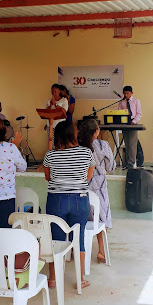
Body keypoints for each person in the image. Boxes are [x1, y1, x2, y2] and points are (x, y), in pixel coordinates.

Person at [43, 121, 95, 289]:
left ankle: (53, 279)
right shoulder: (86, 153)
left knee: (55, 240)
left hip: (56, 200)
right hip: (80, 199)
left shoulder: (50, 155)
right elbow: (89, 175)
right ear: (73, 134)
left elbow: (48, 177)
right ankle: (80, 280)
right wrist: (75, 182)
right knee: (78, 240)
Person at [78, 119, 115, 263]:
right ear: (96, 132)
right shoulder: (102, 145)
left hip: (82, 183)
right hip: (99, 184)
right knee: (101, 217)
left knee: (81, 218)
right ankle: (101, 251)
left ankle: (77, 250)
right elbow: (111, 167)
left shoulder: (78, 146)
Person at [118, 85, 144, 169]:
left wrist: (134, 121)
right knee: (127, 143)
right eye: (124, 93)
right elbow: (119, 113)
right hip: (125, 124)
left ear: (132, 93)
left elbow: (139, 113)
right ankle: (127, 163)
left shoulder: (136, 101)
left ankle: (132, 163)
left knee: (132, 144)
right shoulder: (122, 102)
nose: (126, 95)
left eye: (127, 93)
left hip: (133, 124)